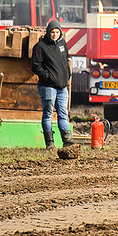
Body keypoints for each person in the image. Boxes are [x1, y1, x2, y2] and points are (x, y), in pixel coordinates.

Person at [31, 20, 74, 150]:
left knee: (63, 114)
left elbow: (66, 60)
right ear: (48, 32)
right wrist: (47, 77)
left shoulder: (62, 44)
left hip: (62, 87)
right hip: (48, 86)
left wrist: (68, 74)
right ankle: (50, 143)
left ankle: (68, 142)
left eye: (57, 32)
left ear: (60, 32)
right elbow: (35, 66)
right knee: (48, 114)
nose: (55, 34)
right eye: (52, 32)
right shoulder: (41, 46)